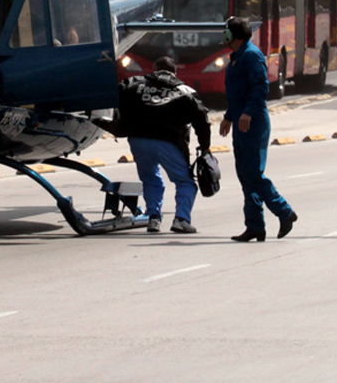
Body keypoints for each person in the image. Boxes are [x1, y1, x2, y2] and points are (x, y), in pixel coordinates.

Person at [102, 55, 212, 234]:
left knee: (151, 179)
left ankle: (153, 219)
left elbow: (113, 96)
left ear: (154, 69)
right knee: (185, 182)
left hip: (138, 140)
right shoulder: (185, 91)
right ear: (174, 72)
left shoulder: (133, 83)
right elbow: (202, 120)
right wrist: (205, 146)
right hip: (168, 142)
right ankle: (181, 220)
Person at [218, 16, 297, 242]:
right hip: (241, 120)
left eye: (227, 32)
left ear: (235, 35)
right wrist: (229, 117)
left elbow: (260, 88)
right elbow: (237, 93)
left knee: (253, 173)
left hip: (253, 122)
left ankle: (284, 212)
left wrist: (247, 113)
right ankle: (255, 226)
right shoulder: (236, 57)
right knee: (245, 175)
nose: (224, 36)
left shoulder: (251, 56)